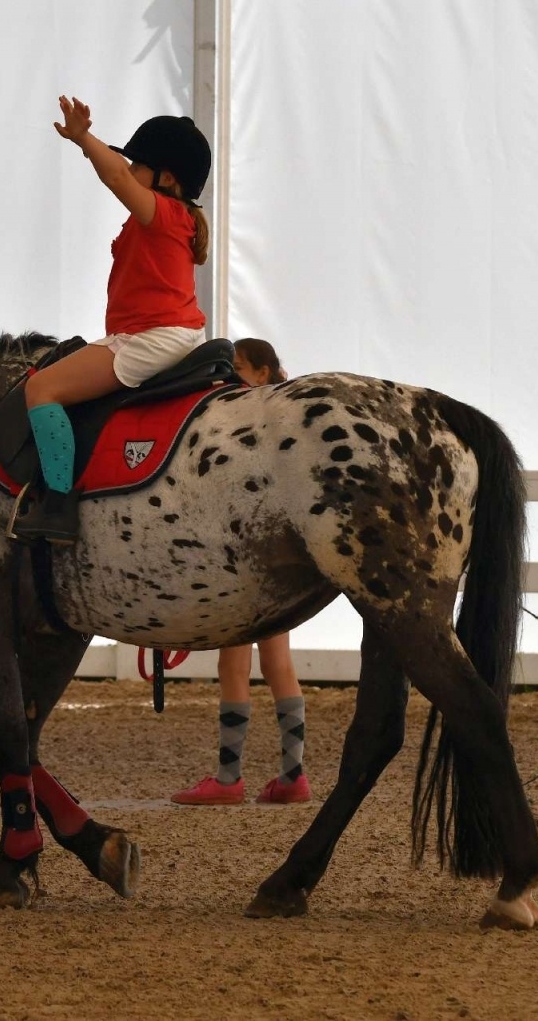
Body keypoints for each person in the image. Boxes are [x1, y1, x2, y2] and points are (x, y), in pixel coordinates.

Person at [11, 96, 212, 544]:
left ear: (168, 178)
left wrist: (84, 139)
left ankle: (59, 506)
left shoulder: (162, 214)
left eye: (141, 164)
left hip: (150, 338)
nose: (131, 170)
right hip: (168, 334)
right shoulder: (169, 221)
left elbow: (116, 174)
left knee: (41, 388)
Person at [171, 338, 312, 805]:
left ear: (264, 372)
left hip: (245, 556)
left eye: (240, 368)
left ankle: (229, 779)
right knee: (279, 665)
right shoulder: (283, 421)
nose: (232, 376)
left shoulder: (243, 422)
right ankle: (293, 776)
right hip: (282, 558)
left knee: (234, 664)